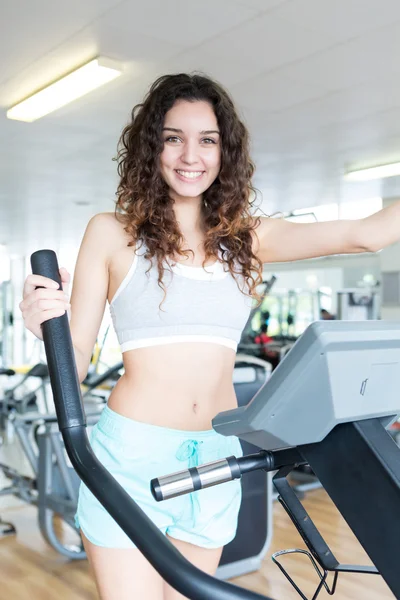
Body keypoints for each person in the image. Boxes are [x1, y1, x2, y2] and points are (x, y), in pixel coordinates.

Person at [19, 72, 400, 600]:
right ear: (152, 146)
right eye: (173, 137)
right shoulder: (111, 233)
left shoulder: (248, 238)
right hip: (132, 457)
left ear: (225, 152)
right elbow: (76, 358)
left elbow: (366, 235)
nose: (189, 155)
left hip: (219, 456)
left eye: (208, 140)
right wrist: (46, 328)